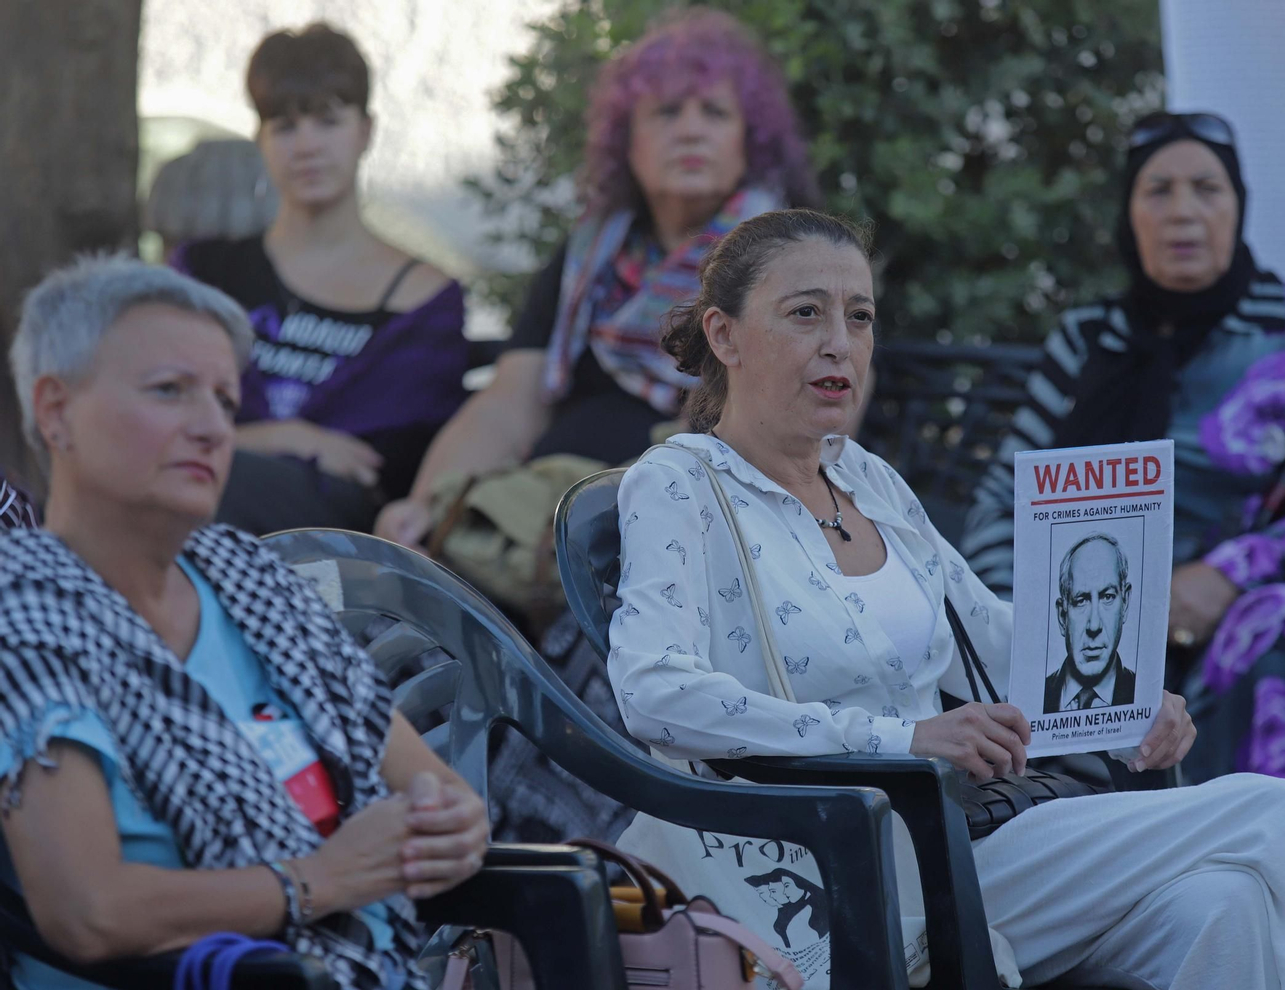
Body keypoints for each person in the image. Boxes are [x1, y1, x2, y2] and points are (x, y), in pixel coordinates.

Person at [606, 209, 1285, 989]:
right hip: (843, 866)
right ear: (725, 335)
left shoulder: (867, 481)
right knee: (1271, 811)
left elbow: (999, 634)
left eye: (860, 316)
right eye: (806, 312)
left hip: (970, 836)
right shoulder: (679, 484)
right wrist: (901, 739)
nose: (840, 341)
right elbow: (652, 690)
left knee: (1227, 902)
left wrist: (1129, 697)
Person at [0, 257, 488, 990]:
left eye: (227, 403)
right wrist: (320, 878)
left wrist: (452, 831)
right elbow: (87, 909)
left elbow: (438, 793)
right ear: (55, 409)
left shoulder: (248, 579)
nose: (209, 429)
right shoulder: (26, 608)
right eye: (169, 391)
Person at [962, 111, 1285, 819]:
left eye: (1206, 189)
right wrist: (1024, 624)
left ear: (1237, 206)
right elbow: (1005, 498)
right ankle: (1108, 884)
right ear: (1130, 214)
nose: (1183, 211)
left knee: (1278, 622)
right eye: (1158, 190)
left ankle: (1262, 873)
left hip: (1238, 611)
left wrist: (1227, 576)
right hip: (1094, 622)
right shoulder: (1088, 339)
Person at [374, 8, 818, 549]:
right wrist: (425, 507)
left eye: (716, 112)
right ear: (627, 143)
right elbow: (511, 399)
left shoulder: (789, 262)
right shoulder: (588, 255)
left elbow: (796, 437)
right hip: (539, 520)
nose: (691, 129)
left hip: (681, 539)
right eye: (667, 111)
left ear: (749, 141)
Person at [173, 22, 470, 535]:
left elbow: (384, 467)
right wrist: (285, 437)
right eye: (285, 127)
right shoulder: (204, 273)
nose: (307, 146)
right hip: (193, 501)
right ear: (260, 140)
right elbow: (152, 413)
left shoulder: (425, 299)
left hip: (339, 539)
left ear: (366, 131)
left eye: (328, 121)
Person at [1043, 533, 1135, 713]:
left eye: (1107, 597)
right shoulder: (1032, 697)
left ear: (1125, 603)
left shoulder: (1147, 695)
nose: (1094, 626)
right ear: (1062, 616)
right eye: (1080, 601)